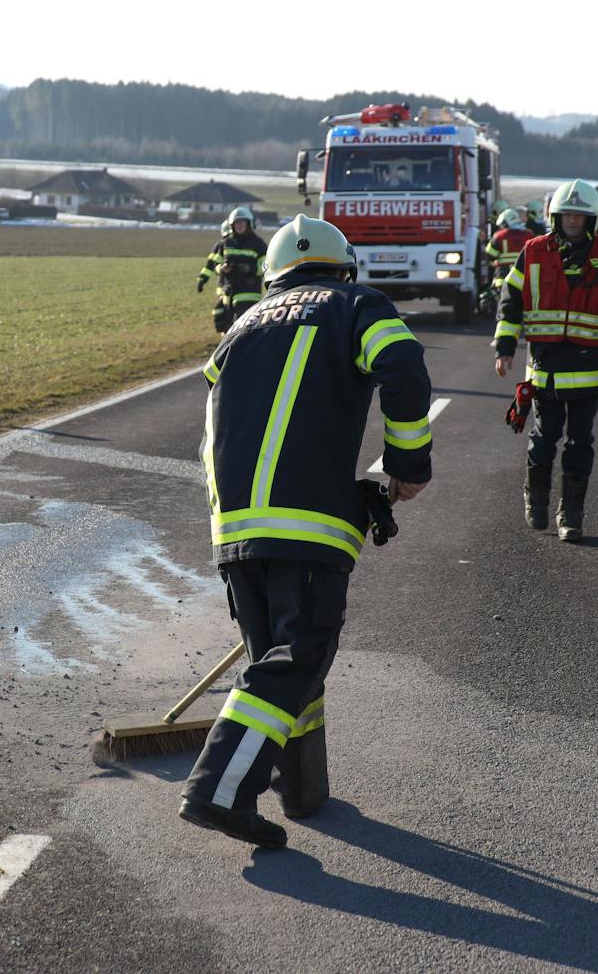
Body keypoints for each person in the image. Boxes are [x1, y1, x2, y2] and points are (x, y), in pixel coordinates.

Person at [180, 214, 433, 849]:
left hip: (233, 527)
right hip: (306, 523)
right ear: (341, 266)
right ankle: (218, 789)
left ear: (273, 276)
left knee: (280, 664)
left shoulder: (237, 329)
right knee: (298, 659)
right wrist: (406, 465)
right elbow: (402, 365)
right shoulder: (356, 302)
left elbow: (211, 423)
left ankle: (300, 787)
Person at [493, 179, 598, 541]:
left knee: (580, 443)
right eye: (568, 215)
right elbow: (510, 299)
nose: (573, 221)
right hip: (544, 367)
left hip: (589, 368)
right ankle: (538, 499)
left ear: (591, 219)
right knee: (544, 439)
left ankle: (571, 515)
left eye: (580, 216)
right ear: (555, 217)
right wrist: (504, 347)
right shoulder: (532, 251)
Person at [197, 206, 268, 333]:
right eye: (236, 223)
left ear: (248, 223)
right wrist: (222, 269)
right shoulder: (226, 243)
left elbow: (266, 268)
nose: (239, 225)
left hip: (249, 295)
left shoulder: (258, 244)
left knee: (243, 331)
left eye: (242, 222)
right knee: (227, 331)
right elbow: (214, 264)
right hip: (229, 295)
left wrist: (249, 268)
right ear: (232, 225)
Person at [486, 207, 534, 294]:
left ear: (505, 223)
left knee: (501, 303)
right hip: (526, 277)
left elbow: (490, 254)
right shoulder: (529, 234)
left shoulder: (499, 235)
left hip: (503, 278)